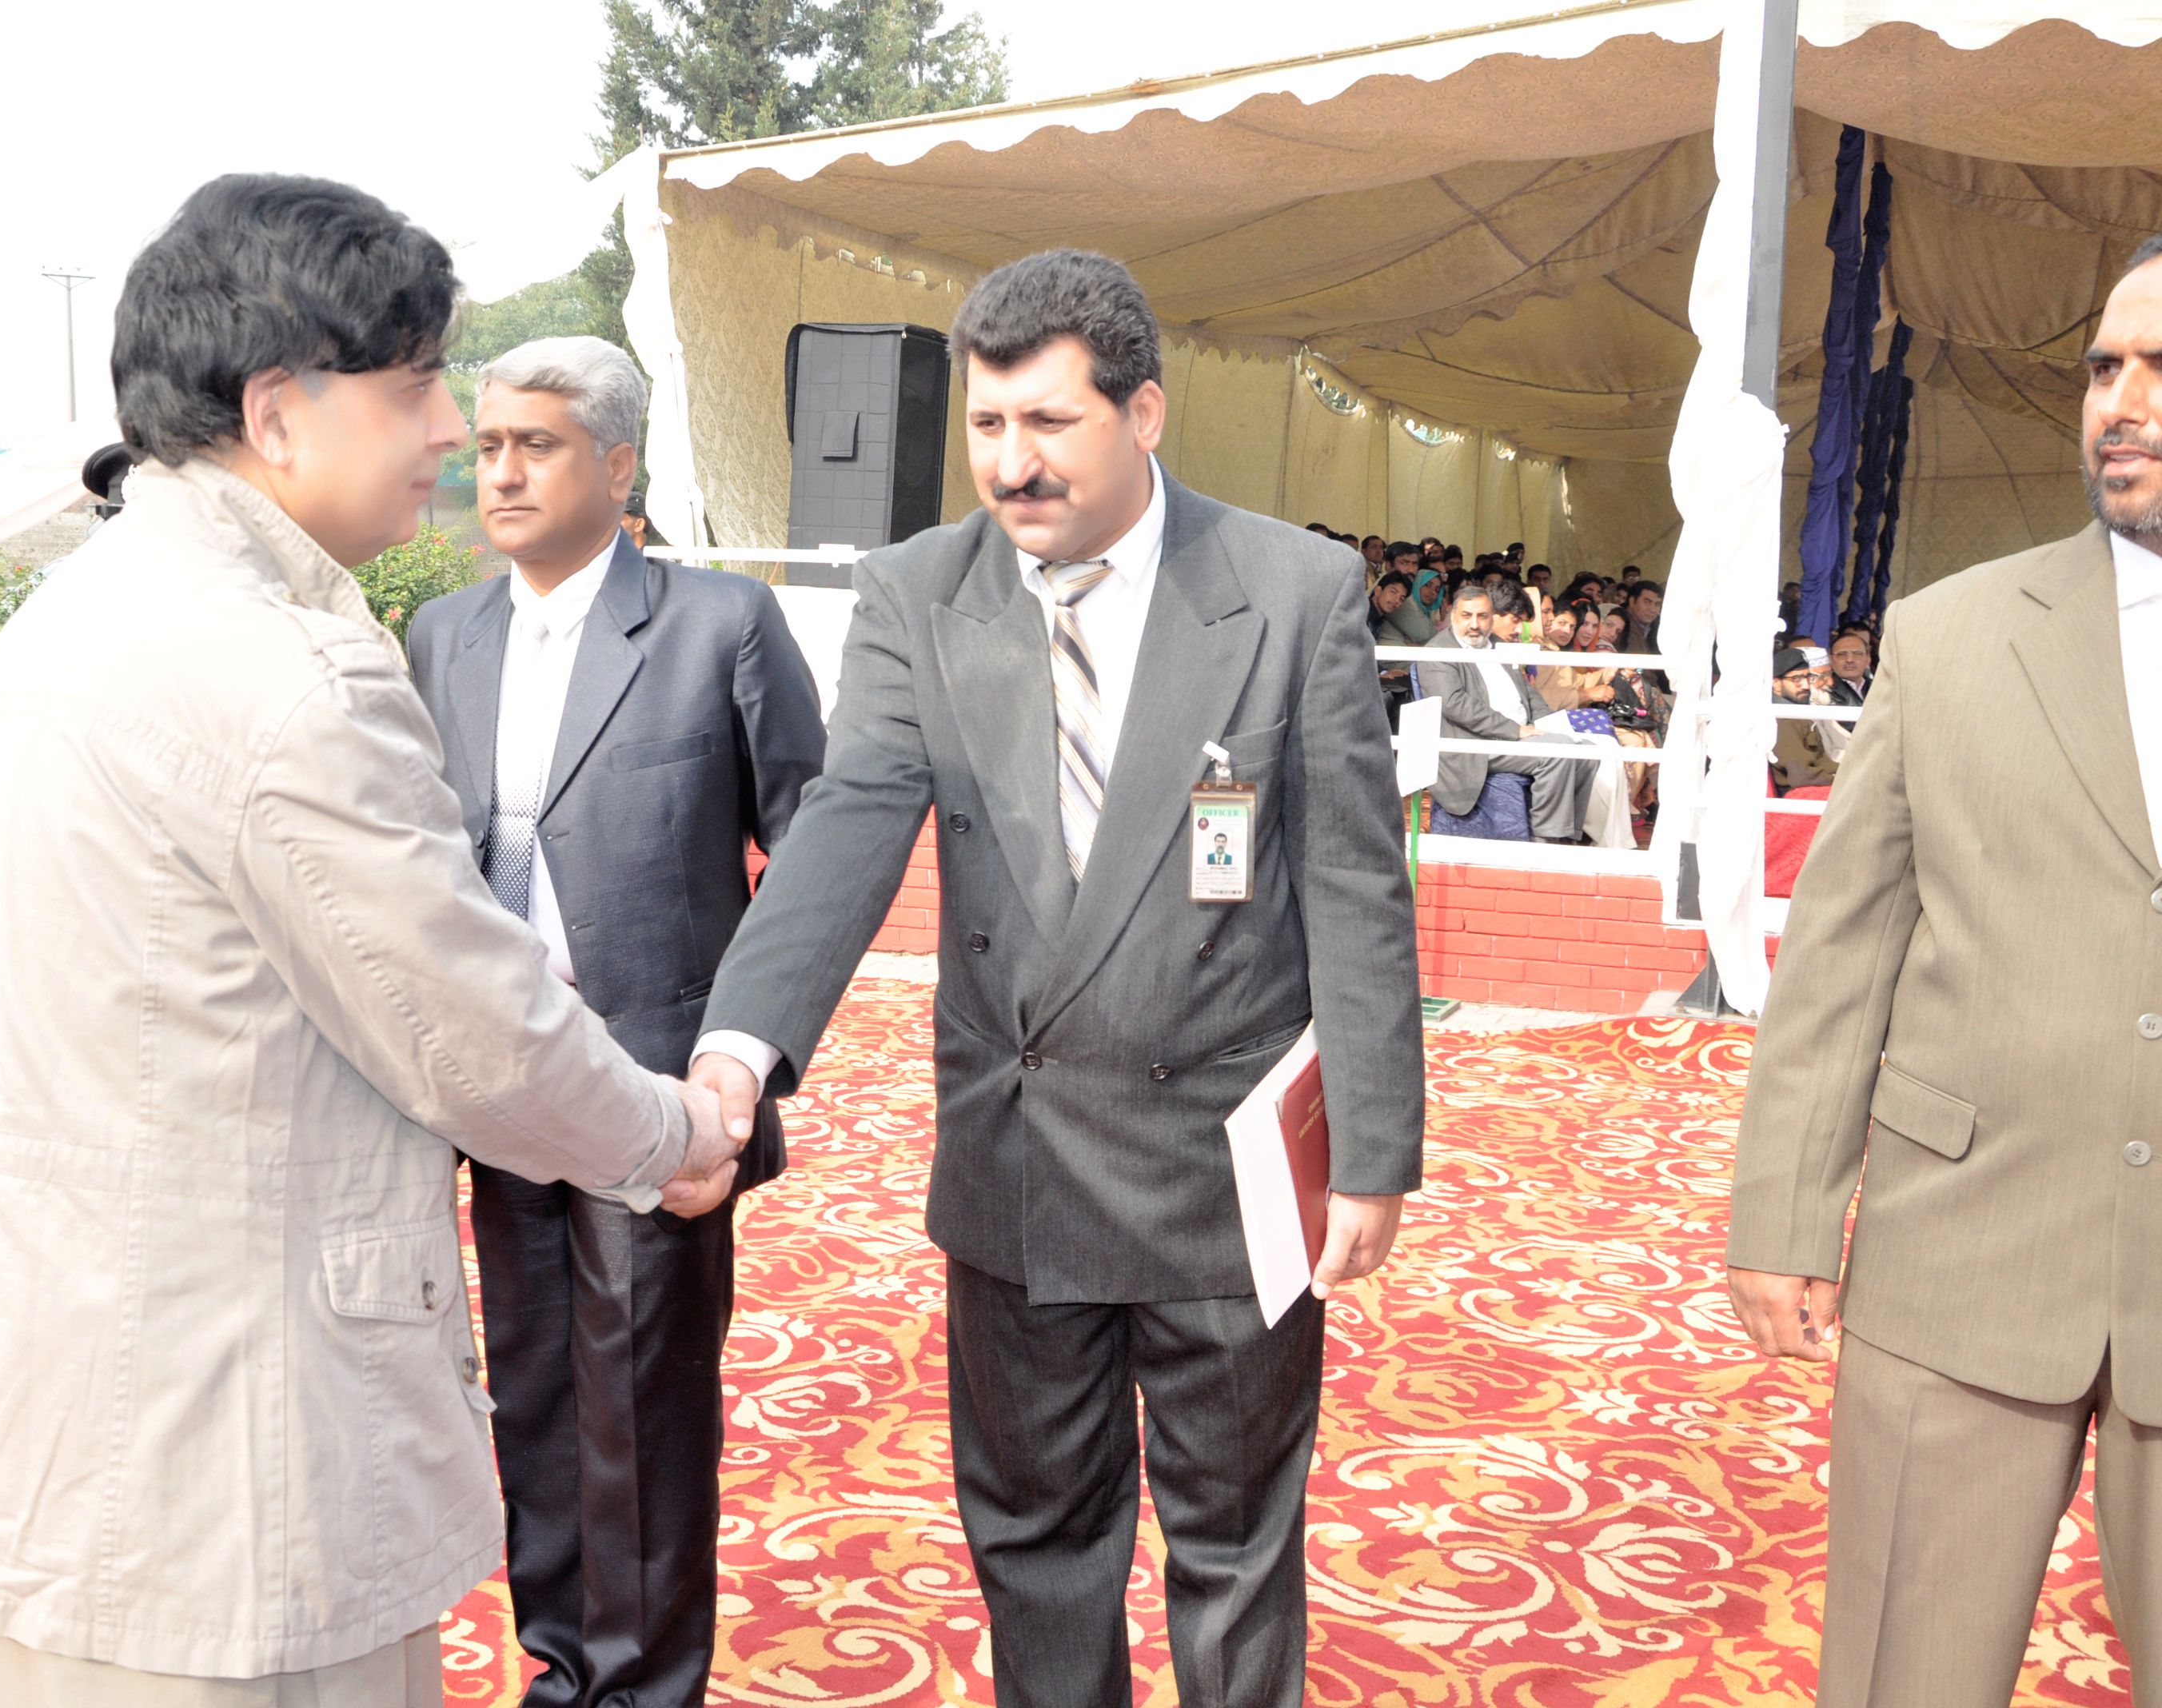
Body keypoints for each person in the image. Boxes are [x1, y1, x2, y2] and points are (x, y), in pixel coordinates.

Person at [0, 176, 741, 1707]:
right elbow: (474, 1029)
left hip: (82, 1429)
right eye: (418, 384)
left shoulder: (67, 619)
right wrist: (671, 1136)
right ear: (277, 412)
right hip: (237, 1472)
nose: (448, 431)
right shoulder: (285, 669)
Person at [683, 249, 1423, 1708]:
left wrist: (1373, 1151)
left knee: (1233, 1545)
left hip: (1226, 1170)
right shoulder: (919, 592)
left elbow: (1352, 882)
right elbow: (846, 828)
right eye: (986, 425)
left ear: (1142, 414)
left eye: (1049, 423)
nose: (1011, 466)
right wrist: (737, 1050)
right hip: (1017, 1163)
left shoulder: (1291, 590)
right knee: (1036, 1543)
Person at [1731, 237, 2162, 1708]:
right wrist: (1784, 1212)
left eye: (2160, 370)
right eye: (2103, 368)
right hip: (1958, 1261)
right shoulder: (1951, 637)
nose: (2120, 402)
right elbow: (1844, 951)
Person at [403, 337, 824, 1708]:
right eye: (487, 445)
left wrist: (742, 1062)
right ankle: (561, 1668)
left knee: (638, 1409)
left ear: (618, 463)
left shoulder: (720, 624)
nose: (500, 472)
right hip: (497, 1082)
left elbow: (813, 856)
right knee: (530, 1394)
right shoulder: (444, 635)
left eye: (537, 445)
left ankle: (643, 1688)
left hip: (656, 1092)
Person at [1418, 579, 1596, 843]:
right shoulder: (1438, 652)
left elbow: (1527, 693)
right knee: (1559, 753)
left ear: (1492, 617)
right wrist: (1515, 730)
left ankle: (1569, 837)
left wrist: (1550, 723)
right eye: (1467, 616)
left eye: (1482, 616)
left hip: (1516, 735)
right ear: (1453, 615)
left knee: (1588, 751)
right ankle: (1546, 839)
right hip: (1476, 743)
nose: (1475, 624)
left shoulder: (1496, 644)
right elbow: (1455, 704)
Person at [1769, 644, 1839, 791]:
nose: (1806, 685)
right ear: (1776, 684)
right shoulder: (1783, 721)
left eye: (1808, 677)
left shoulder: (1798, 715)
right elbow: (1801, 775)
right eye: (1796, 678)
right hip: (1810, 792)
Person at [1829, 628, 1874, 704]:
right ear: (1830, 660)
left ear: (1868, 659)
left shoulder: (1878, 688)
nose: (1850, 660)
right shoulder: (1823, 690)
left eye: (1857, 654)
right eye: (1841, 654)